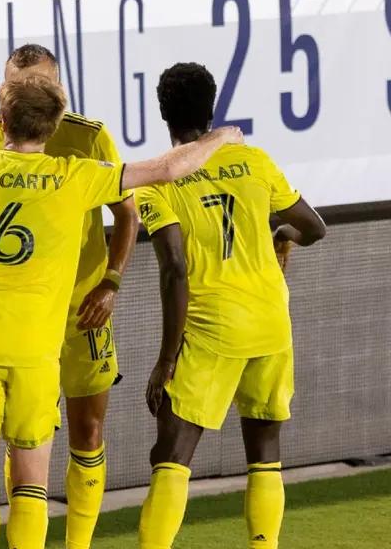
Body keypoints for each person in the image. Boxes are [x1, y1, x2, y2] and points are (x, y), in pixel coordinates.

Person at [0, 74, 241, 548]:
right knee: (31, 486)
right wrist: (220, 137)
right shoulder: (77, 176)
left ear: (2, 119)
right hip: (37, 360)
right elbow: (170, 168)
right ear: (52, 127)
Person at [135, 63, 326, 549]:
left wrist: (165, 360)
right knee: (264, 451)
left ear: (162, 111)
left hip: (211, 328)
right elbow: (315, 227)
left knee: (172, 453)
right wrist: (281, 233)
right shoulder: (255, 161)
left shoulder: (158, 180)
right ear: (212, 106)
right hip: (270, 320)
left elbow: (175, 269)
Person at [0, 44, 140, 549]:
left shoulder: (88, 136)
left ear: (59, 87)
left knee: (87, 431)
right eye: (16, 86)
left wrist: (110, 281)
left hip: (79, 311)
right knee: (22, 436)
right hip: (15, 317)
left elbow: (127, 212)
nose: (27, 95)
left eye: (39, 84)